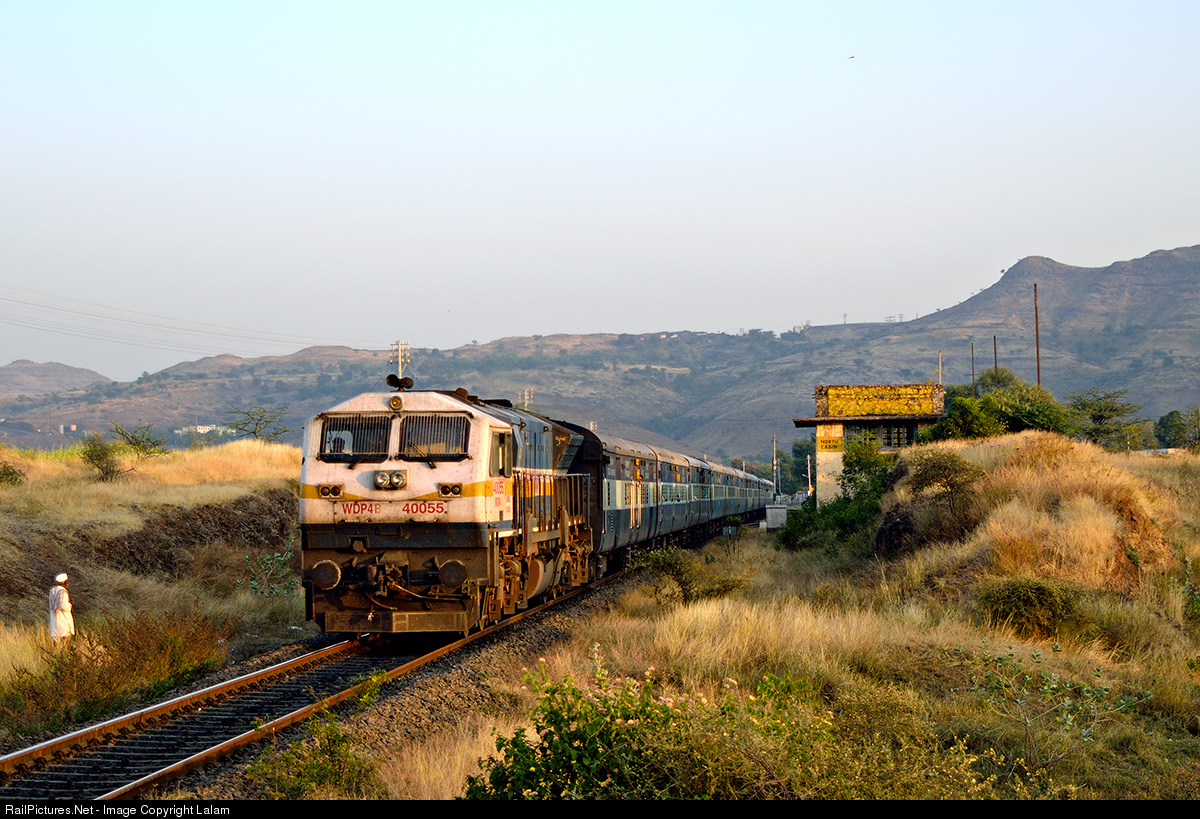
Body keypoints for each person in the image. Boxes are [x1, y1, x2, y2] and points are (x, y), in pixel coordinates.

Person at [48, 572, 74, 648]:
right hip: (63, 621)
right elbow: (64, 607)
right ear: (65, 582)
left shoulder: (52, 590)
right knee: (65, 644)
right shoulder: (63, 591)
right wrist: (70, 604)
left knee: (56, 644)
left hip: (54, 621)